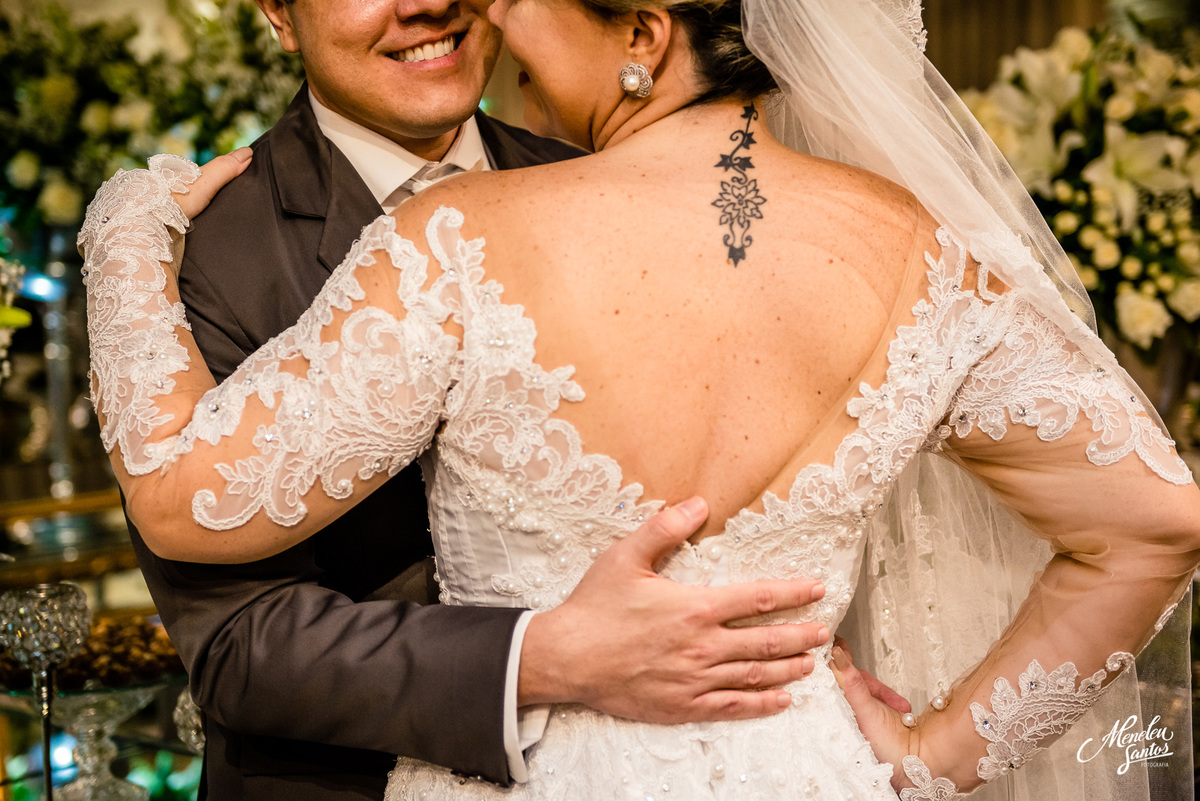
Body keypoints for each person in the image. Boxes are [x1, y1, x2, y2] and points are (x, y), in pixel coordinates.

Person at [80, 0, 1200, 799]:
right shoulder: (917, 249)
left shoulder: (464, 241)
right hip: (808, 771)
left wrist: (125, 230)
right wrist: (934, 757)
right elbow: (1157, 527)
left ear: (643, 38)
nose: (494, 18)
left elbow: (186, 500)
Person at [125, 0, 853, 798]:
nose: (427, 4)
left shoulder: (611, 168)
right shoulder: (199, 249)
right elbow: (235, 640)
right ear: (279, 13)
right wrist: (542, 657)